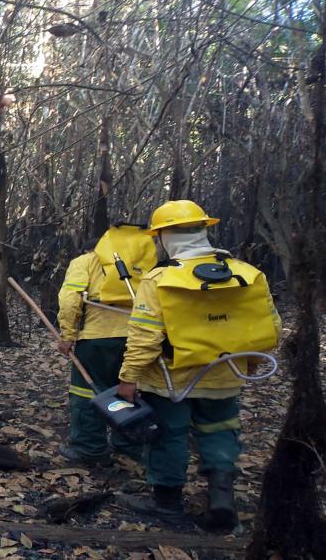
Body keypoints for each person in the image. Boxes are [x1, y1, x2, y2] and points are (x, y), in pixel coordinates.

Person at [116, 200, 281, 532]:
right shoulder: (247, 273)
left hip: (170, 381)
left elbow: (145, 337)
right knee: (220, 432)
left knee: (169, 436)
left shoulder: (160, 278)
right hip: (223, 375)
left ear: (163, 236)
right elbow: (271, 328)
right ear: (203, 229)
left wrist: (128, 377)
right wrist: (246, 361)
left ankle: (167, 506)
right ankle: (222, 500)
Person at [56, 225, 155, 465]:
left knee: (86, 392)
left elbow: (70, 299)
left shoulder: (86, 262)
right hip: (141, 337)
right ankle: (128, 443)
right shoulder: (148, 265)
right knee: (129, 389)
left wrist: (68, 334)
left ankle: (90, 449)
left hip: (97, 339)